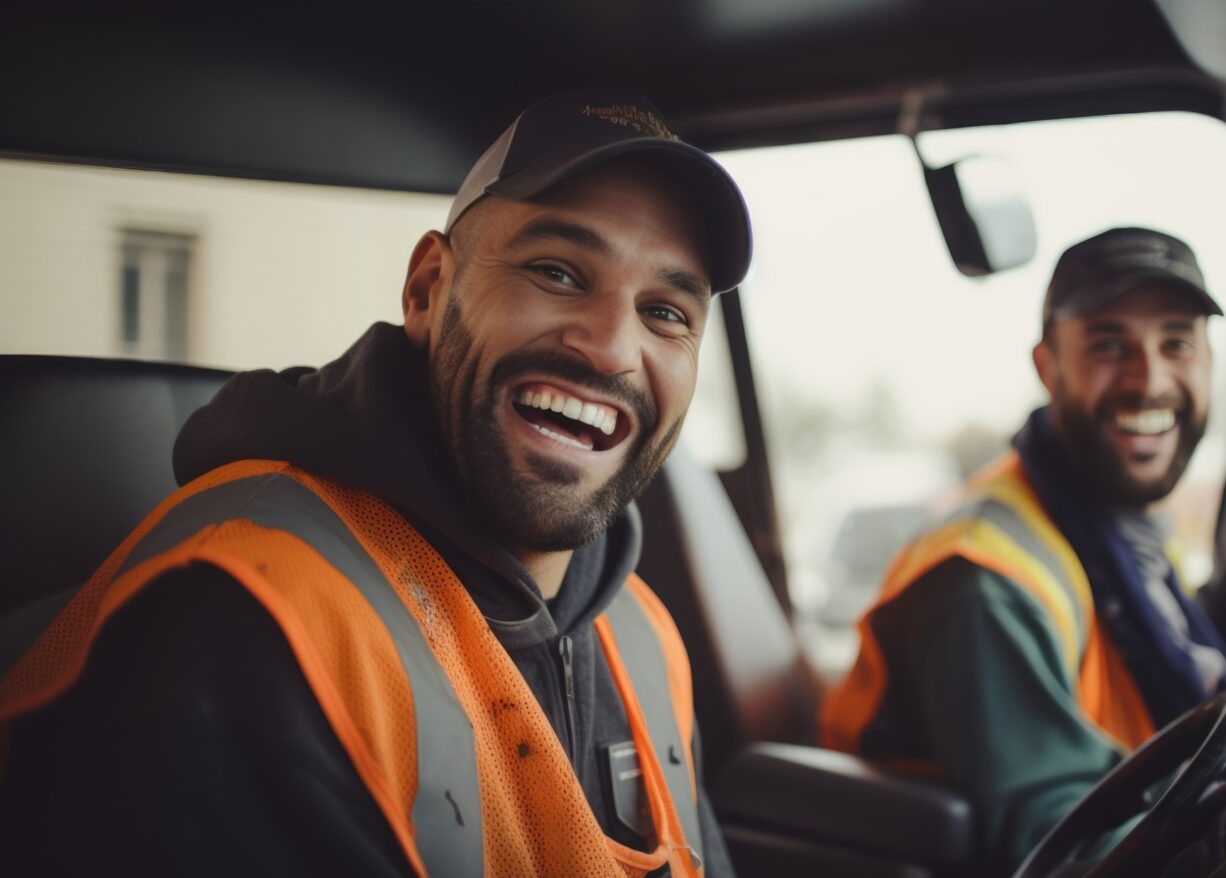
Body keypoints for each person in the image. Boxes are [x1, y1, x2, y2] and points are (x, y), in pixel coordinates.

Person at [0, 90, 750, 877]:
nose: (611, 349)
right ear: (428, 289)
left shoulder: (643, 635)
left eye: (666, 313)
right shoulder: (241, 618)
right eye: (557, 272)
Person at [819, 227, 1226, 874]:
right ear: (1048, 368)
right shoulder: (982, 582)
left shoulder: (1121, 536)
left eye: (1178, 342)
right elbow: (1073, 848)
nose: (1151, 378)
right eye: (1110, 344)